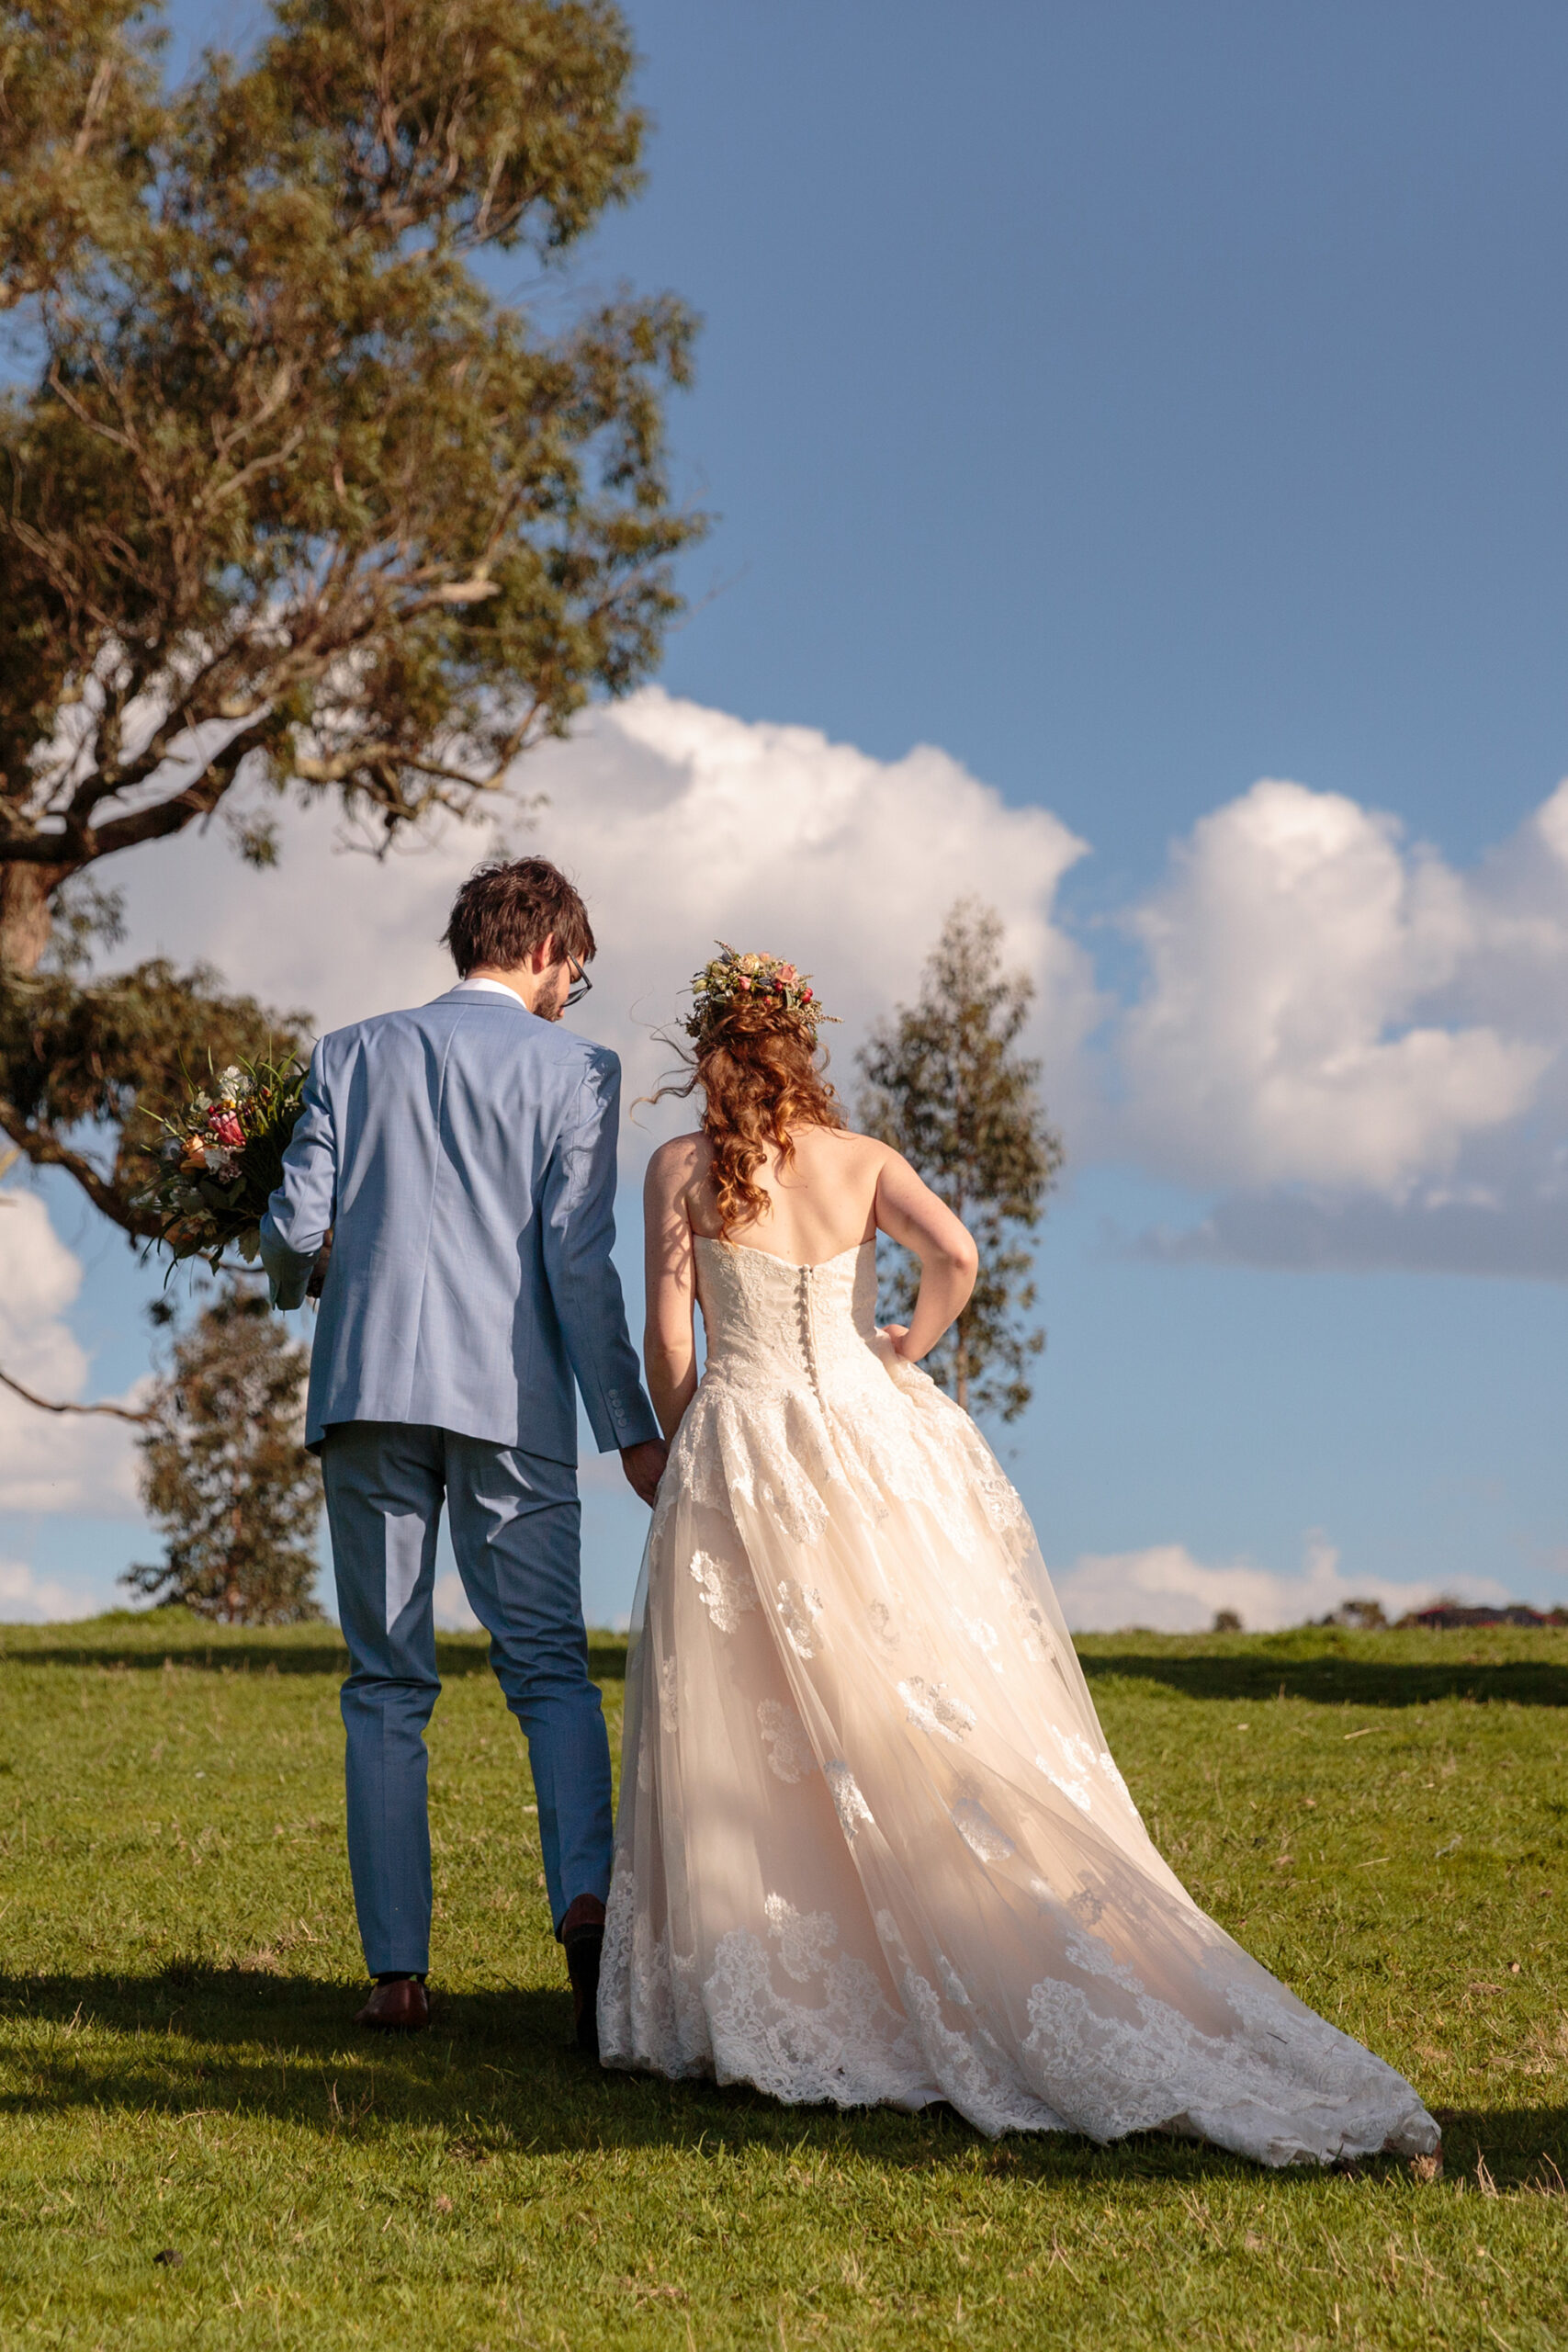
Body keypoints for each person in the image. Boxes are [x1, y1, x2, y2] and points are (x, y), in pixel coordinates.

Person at [598, 946, 1440, 2170]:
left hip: (743, 1439)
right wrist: (902, 1347)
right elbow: (959, 1259)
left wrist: (686, 1435)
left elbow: (663, 1334)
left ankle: (774, 1981)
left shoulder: (679, 1166)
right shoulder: (862, 1160)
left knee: (752, 1713)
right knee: (903, 1695)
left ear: (708, 1054)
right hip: (863, 1435)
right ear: (800, 1048)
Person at [261, 857, 665, 2047]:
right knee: (547, 1675)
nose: (571, 999)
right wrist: (631, 1428)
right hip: (514, 1402)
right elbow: (577, 1266)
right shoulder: (577, 1072)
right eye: (574, 977)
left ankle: (396, 1975)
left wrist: (310, 1276)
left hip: (368, 1390)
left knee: (386, 1682)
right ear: (544, 948)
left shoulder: (348, 1052)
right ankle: (584, 1921)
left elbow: (293, 1230)